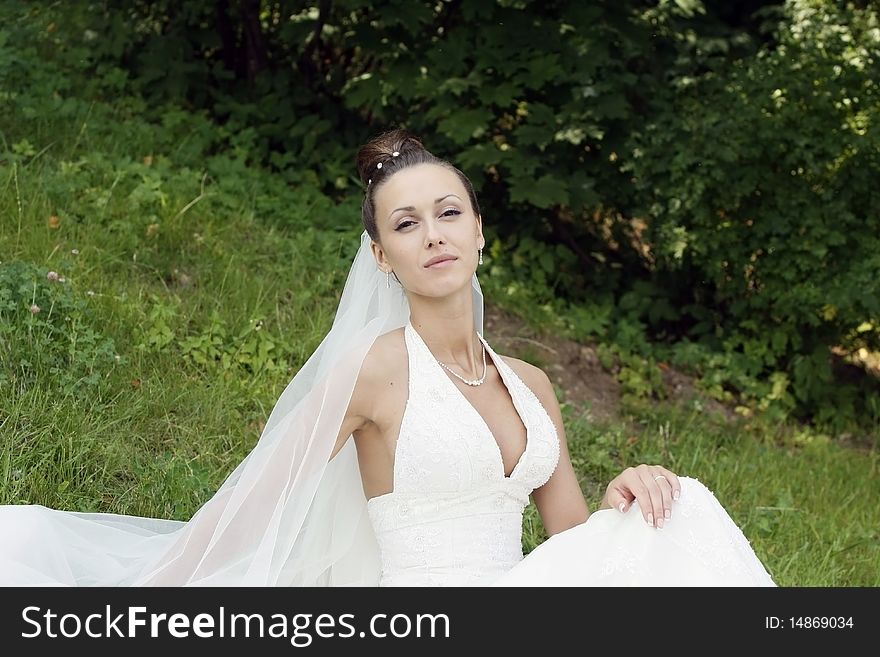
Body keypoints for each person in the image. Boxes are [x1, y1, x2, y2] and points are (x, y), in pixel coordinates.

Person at [0, 129, 775, 587]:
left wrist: (621, 498)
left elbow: (569, 544)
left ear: (479, 233)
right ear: (381, 256)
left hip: (519, 597)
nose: (433, 233)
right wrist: (144, 598)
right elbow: (254, 507)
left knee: (685, 507)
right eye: (407, 224)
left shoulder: (533, 383)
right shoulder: (371, 369)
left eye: (448, 213)